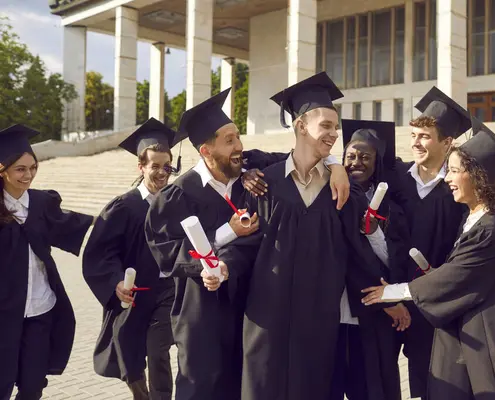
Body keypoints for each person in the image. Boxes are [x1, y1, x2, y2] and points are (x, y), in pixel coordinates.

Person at [144, 88, 349, 400]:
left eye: (238, 136)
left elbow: (299, 157)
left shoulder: (250, 179)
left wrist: (336, 165)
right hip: (204, 314)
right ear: (205, 150)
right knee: (203, 389)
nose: (239, 146)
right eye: (229, 141)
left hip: (247, 308)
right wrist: (227, 233)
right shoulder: (179, 195)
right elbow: (167, 251)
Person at [361, 118, 495, 400]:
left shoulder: (491, 230)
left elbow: (455, 277)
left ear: (477, 177)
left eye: (455, 171)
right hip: (473, 334)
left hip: (493, 340)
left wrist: (389, 292)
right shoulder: (476, 218)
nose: (448, 178)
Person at [223, 72, 366, 400]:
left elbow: (355, 250)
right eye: (326, 126)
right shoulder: (264, 183)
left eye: (336, 126)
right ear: (301, 126)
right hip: (265, 316)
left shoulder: (342, 191)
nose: (334, 133)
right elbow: (245, 244)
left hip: (317, 319)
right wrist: (222, 266)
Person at [83, 118, 182, 399]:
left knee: (157, 349)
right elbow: (101, 252)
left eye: (168, 167)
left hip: (167, 292)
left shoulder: (175, 201)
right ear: (141, 167)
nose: (163, 173)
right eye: (155, 167)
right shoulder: (123, 207)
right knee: (128, 357)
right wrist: (115, 283)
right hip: (134, 294)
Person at [0, 125, 94, 400]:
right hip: (3, 315)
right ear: (2, 169)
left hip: (40, 310)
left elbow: (72, 226)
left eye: (32, 168)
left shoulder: (41, 203)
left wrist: (112, 220)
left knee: (32, 387)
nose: (27, 175)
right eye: (20, 169)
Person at [391, 86, 472, 400]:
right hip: (391, 301)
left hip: (433, 306)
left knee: (429, 384)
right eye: (413, 135)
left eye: (424, 136)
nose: (415, 142)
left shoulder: (458, 192)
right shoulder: (396, 177)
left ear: (447, 142)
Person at [329, 119, 411, 400]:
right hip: (330, 315)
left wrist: (374, 233)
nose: (356, 162)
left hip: (368, 321)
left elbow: (395, 261)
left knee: (371, 389)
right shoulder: (328, 198)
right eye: (350, 156)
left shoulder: (392, 208)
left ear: (377, 163)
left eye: (365, 157)